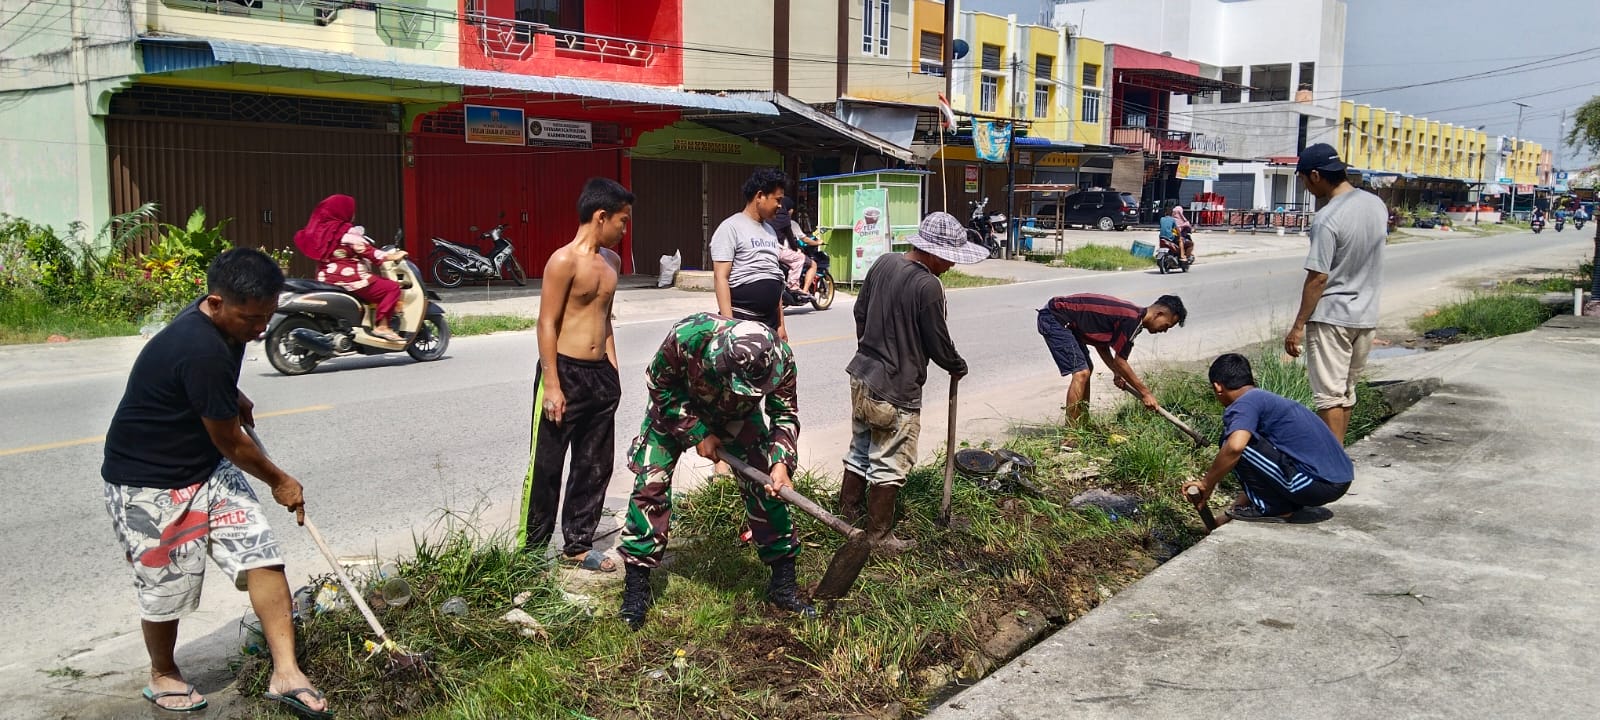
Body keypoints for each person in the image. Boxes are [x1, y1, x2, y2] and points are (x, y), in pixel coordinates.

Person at [101, 249, 330, 718]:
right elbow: (230, 440)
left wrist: (231, 393)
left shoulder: (229, 319)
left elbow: (216, 405)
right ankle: (162, 673)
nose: (260, 329)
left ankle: (286, 673)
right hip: (149, 482)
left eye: (267, 316)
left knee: (262, 555)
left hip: (205, 467)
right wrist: (280, 481)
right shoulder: (198, 348)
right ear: (215, 303)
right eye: (251, 319)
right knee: (167, 590)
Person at [617, 314, 809, 629]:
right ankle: (637, 587)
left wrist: (781, 463)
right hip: (676, 409)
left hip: (738, 416)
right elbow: (658, 383)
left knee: (769, 491)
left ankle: (783, 585)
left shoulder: (781, 360)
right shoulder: (689, 337)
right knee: (650, 486)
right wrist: (696, 432)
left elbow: (784, 413)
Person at [839, 212, 986, 552]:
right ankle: (878, 537)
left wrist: (873, 347)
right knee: (890, 460)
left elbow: (860, 313)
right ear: (932, 251)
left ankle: (847, 515)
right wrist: (956, 365)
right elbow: (938, 341)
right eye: (949, 257)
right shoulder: (928, 285)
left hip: (862, 376)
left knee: (861, 448)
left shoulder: (884, 263)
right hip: (895, 391)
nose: (951, 265)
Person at [519, 178, 631, 573]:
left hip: (600, 376)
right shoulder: (563, 261)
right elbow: (546, 323)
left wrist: (613, 372)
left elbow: (606, 321)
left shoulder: (612, 263)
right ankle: (530, 552)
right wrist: (552, 384)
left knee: (594, 464)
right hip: (563, 372)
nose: (624, 229)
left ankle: (579, 544)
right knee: (547, 467)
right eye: (622, 221)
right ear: (601, 217)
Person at [1283, 143, 1387, 443]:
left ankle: (1333, 466)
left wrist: (1298, 325)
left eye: (1303, 179)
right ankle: (1339, 458)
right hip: (1366, 317)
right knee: (1346, 391)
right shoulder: (1375, 205)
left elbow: (1318, 278)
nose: (1305, 185)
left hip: (1332, 318)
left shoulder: (1328, 217)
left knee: (1329, 396)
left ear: (1315, 175)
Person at [1183, 354, 1354, 523]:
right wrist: (1227, 516)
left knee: (1229, 443)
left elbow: (1236, 448)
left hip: (1318, 484)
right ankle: (1275, 504)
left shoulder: (1244, 404)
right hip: (1336, 480)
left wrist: (1207, 483)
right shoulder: (1263, 399)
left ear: (1218, 387)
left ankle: (1276, 508)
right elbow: (1260, 472)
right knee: (1242, 444)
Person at [1037, 293, 1188, 427]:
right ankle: (1071, 434)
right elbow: (1120, 361)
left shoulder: (1133, 318)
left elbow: (1102, 345)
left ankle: (1082, 425)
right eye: (1166, 325)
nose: (1164, 330)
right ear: (1159, 314)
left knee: (1087, 370)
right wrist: (1145, 393)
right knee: (1081, 373)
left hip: (1063, 320)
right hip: (1055, 318)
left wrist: (1117, 373)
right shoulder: (1132, 320)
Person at [295, 194, 407, 343]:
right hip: (352, 280)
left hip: (326, 280)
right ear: (342, 211)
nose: (353, 214)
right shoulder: (347, 233)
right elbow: (369, 252)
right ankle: (382, 326)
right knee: (392, 288)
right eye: (351, 210)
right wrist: (392, 256)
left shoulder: (321, 233)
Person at [712, 168, 789, 339]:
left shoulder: (770, 231)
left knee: (771, 365)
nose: (780, 206)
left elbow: (774, 276)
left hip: (770, 322)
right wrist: (728, 325)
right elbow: (720, 277)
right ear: (760, 196)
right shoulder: (730, 227)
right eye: (777, 200)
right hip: (742, 320)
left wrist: (781, 324)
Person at [769, 196, 812, 302]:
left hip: (768, 247)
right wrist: (796, 249)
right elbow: (790, 237)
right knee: (800, 258)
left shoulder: (770, 216)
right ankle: (793, 285)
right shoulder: (785, 219)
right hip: (778, 249)